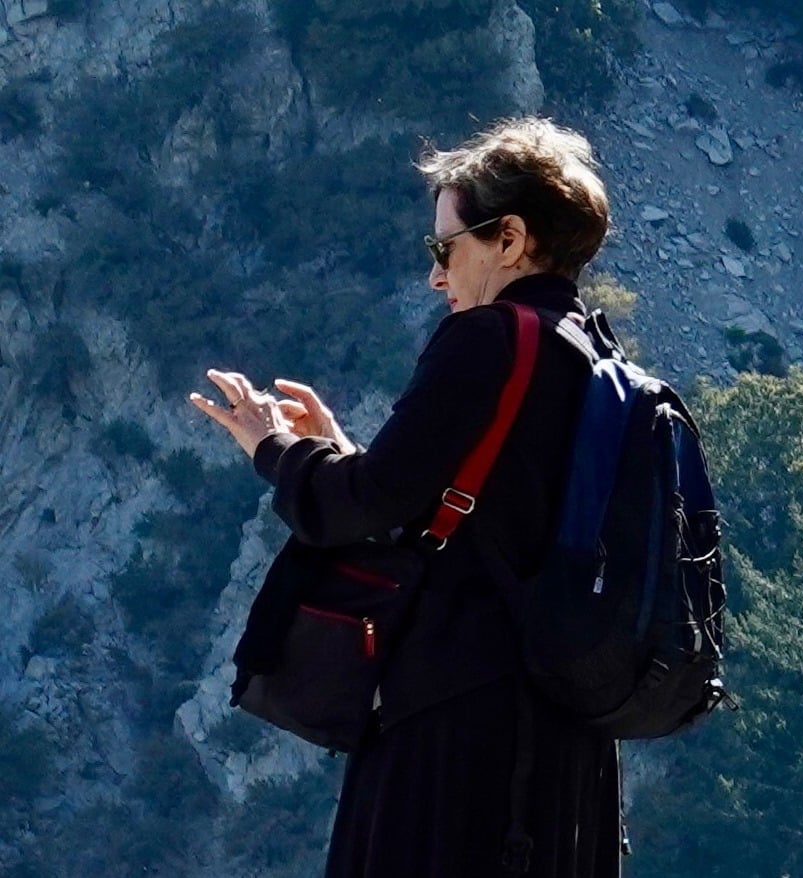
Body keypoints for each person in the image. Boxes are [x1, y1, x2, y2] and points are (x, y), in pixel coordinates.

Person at [190, 117, 620, 878]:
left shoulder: (489, 337)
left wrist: (272, 446)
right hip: (563, 741)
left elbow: (353, 507)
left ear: (510, 239)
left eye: (444, 248)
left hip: (455, 726)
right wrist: (344, 453)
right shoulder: (594, 354)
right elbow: (477, 508)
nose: (436, 277)